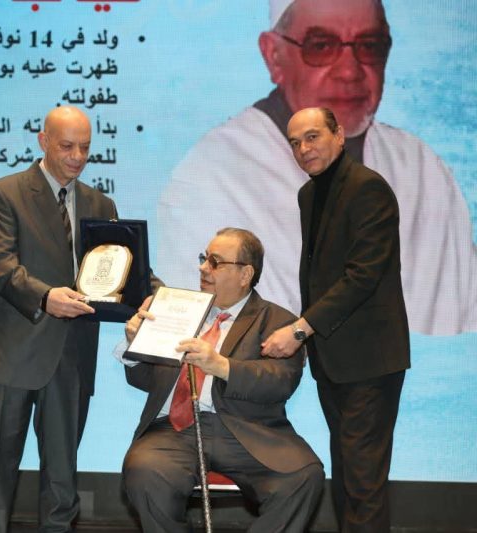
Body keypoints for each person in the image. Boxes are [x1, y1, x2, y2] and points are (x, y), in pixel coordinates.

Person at [158, 0, 476, 335]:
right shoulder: (208, 175)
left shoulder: (421, 168)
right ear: (274, 56)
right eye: (321, 46)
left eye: (369, 46)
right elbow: (193, 328)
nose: (350, 70)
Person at [0, 106, 119, 532]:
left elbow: (121, 269)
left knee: (62, 479)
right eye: (67, 146)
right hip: (10, 353)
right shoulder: (3, 194)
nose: (77, 157)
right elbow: (0, 266)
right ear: (43, 141)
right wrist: (46, 297)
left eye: (85, 147)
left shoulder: (100, 203)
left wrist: (155, 299)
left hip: (71, 356)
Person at [262, 107, 410, 532]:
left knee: (363, 483)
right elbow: (318, 275)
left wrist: (300, 329)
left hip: (371, 360)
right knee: (346, 477)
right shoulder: (309, 194)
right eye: (295, 142)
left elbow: (362, 276)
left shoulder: (368, 188)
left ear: (339, 135)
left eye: (313, 137)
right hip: (333, 359)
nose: (304, 149)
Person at [118, 227, 323, 533]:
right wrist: (134, 343)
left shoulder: (278, 321)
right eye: (204, 259)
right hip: (174, 431)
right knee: (144, 472)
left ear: (245, 274)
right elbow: (147, 379)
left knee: (304, 477)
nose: (203, 268)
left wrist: (222, 366)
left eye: (215, 262)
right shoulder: (179, 310)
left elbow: (281, 380)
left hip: (247, 431)